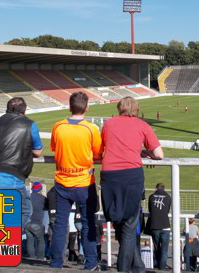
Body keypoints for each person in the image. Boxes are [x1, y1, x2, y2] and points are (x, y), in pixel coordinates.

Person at [100, 96, 164, 273]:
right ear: (136, 109)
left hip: (109, 176)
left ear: (120, 108)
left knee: (118, 221)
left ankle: (137, 267)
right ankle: (126, 268)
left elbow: (102, 148)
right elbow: (159, 154)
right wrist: (144, 152)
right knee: (129, 226)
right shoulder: (142, 125)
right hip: (131, 176)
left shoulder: (108, 124)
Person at [49, 91, 103, 271]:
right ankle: (91, 263)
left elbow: (54, 148)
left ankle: (56, 262)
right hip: (84, 183)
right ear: (86, 108)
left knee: (60, 224)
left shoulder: (58, 126)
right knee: (88, 223)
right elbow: (97, 154)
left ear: (69, 107)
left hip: (62, 181)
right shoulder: (91, 129)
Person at [0, 97, 43, 228]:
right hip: (9, 179)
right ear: (24, 111)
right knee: (25, 211)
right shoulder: (29, 125)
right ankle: (7, 243)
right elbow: (38, 152)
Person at [147, 183, 172, 270]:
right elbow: (167, 210)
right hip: (165, 226)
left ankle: (158, 266)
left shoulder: (151, 197)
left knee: (157, 248)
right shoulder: (168, 197)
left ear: (156, 188)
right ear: (164, 189)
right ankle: (162, 268)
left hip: (155, 225)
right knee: (164, 250)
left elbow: (150, 210)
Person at [25, 182, 47, 260]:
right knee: (41, 240)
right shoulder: (43, 198)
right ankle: (40, 257)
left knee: (30, 240)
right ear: (40, 189)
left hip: (27, 222)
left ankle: (31, 256)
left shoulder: (28, 197)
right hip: (37, 222)